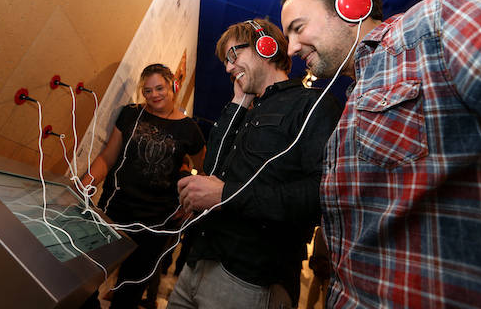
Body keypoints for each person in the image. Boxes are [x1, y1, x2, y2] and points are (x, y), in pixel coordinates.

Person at [281, 0, 481, 308]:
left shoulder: (440, 19)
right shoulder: (352, 103)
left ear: (352, 5)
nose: (291, 48)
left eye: (297, 28)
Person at [167, 19, 342, 309]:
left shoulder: (312, 104)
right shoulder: (247, 107)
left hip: (250, 280)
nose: (227, 68)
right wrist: (238, 103)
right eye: (225, 61)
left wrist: (228, 196)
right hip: (199, 263)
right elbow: (213, 170)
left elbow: (320, 195)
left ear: (265, 45)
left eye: (233, 56)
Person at [82, 63, 206, 309]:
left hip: (155, 222)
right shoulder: (130, 113)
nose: (154, 95)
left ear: (173, 85)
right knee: (85, 279)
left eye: (159, 88)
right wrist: (83, 185)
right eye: (147, 91)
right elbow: (107, 157)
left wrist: (190, 202)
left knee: (130, 291)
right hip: (113, 211)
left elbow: (203, 171)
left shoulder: (189, 129)